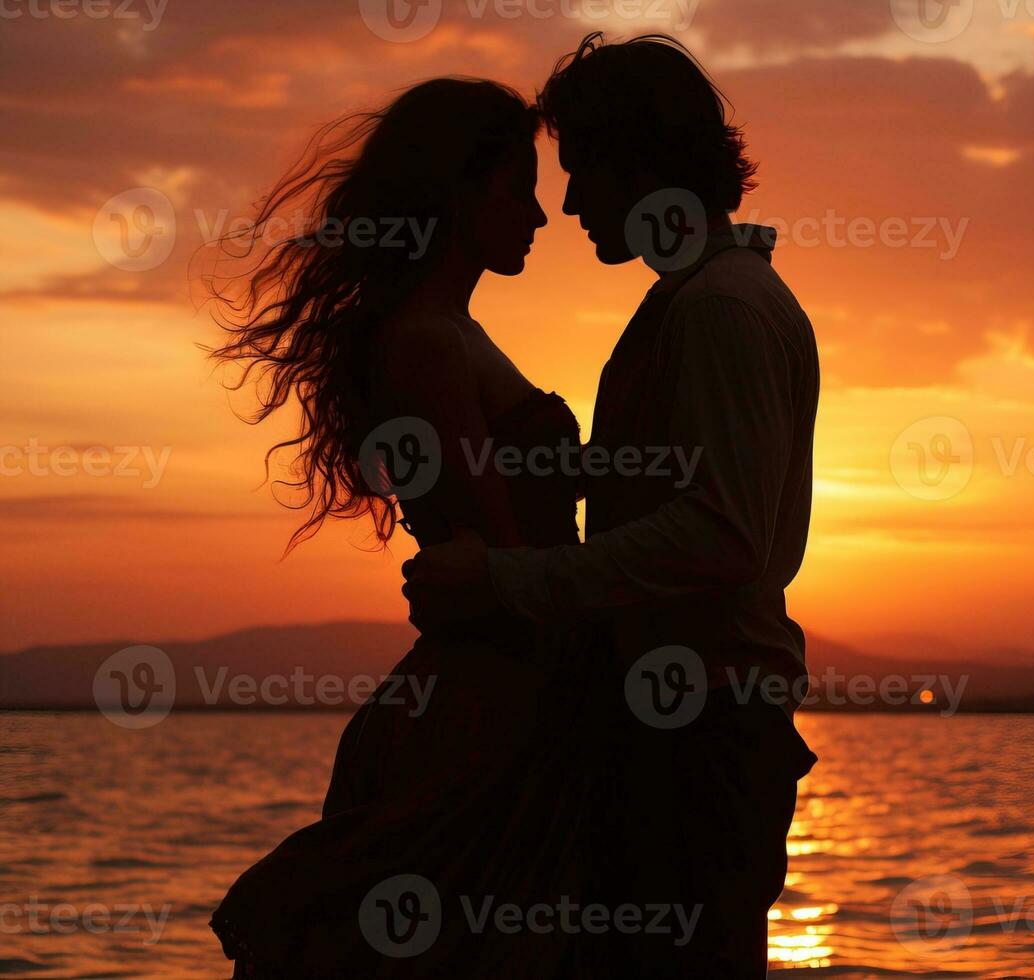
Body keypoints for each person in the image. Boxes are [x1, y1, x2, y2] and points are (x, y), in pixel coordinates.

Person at [404, 33, 820, 976]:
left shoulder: (718, 310)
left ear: (644, 168)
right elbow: (667, 488)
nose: (574, 203)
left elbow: (717, 535)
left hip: (699, 737)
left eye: (585, 171)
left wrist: (501, 580)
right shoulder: (692, 303)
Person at [206, 77, 611, 976]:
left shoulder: (447, 329)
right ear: (458, 195)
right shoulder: (427, 340)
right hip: (489, 697)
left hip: (499, 680)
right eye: (519, 189)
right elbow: (501, 546)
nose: (541, 218)